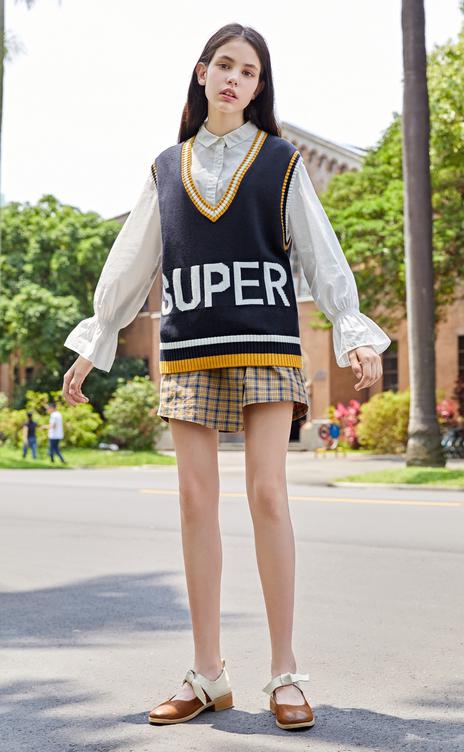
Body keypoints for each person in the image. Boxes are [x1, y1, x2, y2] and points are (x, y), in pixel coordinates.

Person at [61, 24, 391, 730]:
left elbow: (322, 251)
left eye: (250, 71)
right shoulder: (165, 168)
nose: (236, 79)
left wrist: (353, 330)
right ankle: (208, 674)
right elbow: (131, 261)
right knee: (194, 502)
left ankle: (285, 672)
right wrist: (97, 340)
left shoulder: (280, 162)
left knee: (268, 494)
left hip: (267, 341)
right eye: (226, 66)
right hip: (189, 347)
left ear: (258, 86)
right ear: (202, 72)